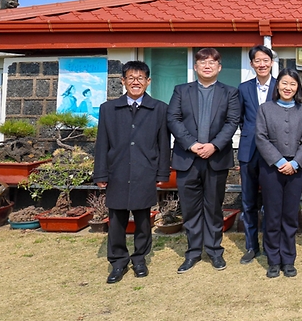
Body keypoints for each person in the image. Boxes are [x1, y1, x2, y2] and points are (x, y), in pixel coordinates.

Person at [93, 61, 171, 284]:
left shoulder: (159, 108)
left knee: (143, 219)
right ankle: (118, 262)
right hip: (116, 171)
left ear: (148, 82)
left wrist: (162, 174)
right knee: (116, 220)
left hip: (145, 171)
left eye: (140, 78)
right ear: (123, 81)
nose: (135, 82)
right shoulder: (108, 109)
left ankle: (139, 259)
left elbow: (163, 143)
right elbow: (102, 144)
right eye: (131, 78)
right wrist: (100, 174)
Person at [167, 48, 241, 273]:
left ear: (219, 67)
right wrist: (191, 144)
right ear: (196, 67)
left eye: (212, 62)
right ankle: (193, 253)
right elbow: (173, 118)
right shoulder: (181, 90)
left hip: (216, 158)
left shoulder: (230, 93)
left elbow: (232, 121)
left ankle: (215, 251)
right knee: (190, 209)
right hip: (187, 158)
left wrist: (214, 145)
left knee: (214, 207)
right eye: (202, 62)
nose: (207, 66)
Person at [255, 68, 302, 279]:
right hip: (271, 169)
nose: (288, 88)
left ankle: (288, 259)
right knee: (272, 216)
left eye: (293, 84)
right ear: (277, 85)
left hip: (295, 170)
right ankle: (273, 260)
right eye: (284, 83)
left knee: (290, 216)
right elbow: (260, 137)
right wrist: (279, 161)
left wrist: (295, 163)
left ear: (297, 88)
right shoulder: (265, 109)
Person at [237, 45, 277, 264]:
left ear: (271, 62)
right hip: (248, 150)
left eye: (265, 60)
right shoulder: (243, 89)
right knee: (248, 201)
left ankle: (273, 244)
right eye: (257, 61)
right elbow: (240, 118)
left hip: (275, 151)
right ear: (251, 64)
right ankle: (252, 246)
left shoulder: (282, 86)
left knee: (272, 201)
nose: (262, 64)